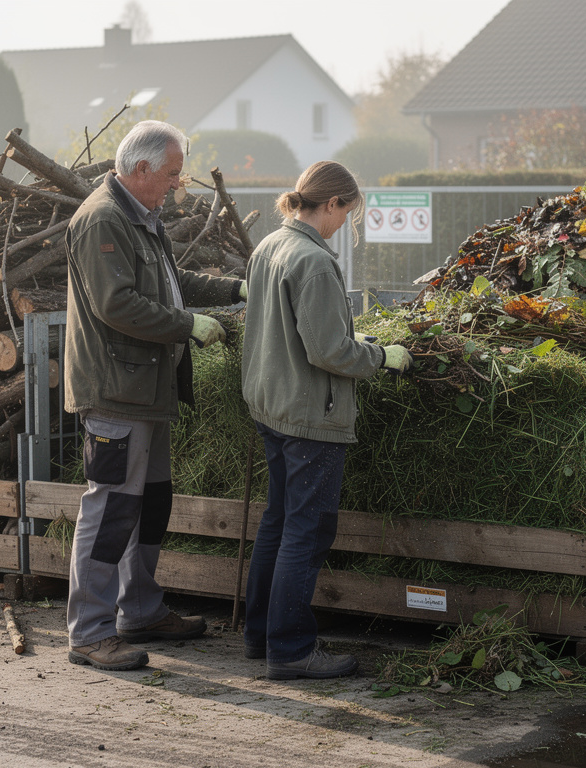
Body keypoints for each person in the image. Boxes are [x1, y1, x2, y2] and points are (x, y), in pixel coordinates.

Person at [63, 120, 246, 671]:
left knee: (152, 502)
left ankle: (138, 610)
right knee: (113, 506)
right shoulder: (102, 219)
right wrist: (189, 327)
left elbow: (170, 280)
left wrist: (236, 289)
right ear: (140, 169)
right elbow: (117, 305)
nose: (175, 184)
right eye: (170, 174)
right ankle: (90, 633)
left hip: (148, 388)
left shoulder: (140, 216)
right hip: (117, 389)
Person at [240, 161, 413, 679]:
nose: (344, 224)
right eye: (347, 213)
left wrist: (350, 343)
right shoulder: (313, 262)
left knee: (277, 522)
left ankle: (260, 635)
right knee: (306, 531)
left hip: (272, 405)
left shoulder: (269, 246)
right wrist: (382, 356)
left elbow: (297, 334)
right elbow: (327, 351)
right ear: (332, 203)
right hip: (310, 415)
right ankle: (291, 650)